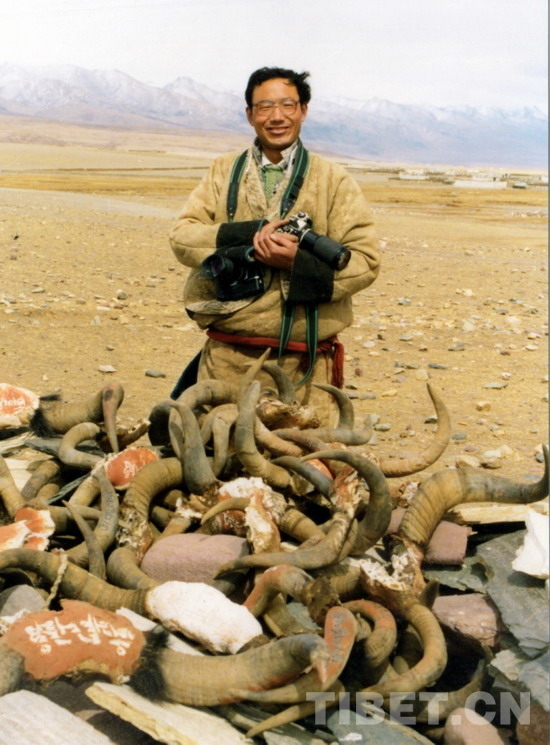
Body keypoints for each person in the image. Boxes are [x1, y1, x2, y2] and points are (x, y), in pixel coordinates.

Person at [169, 66, 380, 426]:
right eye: (265, 107)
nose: (277, 116)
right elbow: (182, 236)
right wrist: (251, 236)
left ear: (303, 110)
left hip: (306, 366)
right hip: (227, 359)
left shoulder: (333, 179)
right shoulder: (223, 171)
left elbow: (366, 261)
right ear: (250, 115)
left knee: (307, 458)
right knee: (215, 453)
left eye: (287, 105)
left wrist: (299, 262)